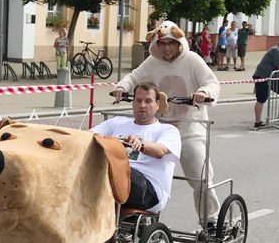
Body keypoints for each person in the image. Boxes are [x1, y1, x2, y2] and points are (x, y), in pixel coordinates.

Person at [111, 20, 221, 228]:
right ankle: (140, 220)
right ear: (156, 45)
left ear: (180, 43)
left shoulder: (192, 60)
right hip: (161, 129)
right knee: (142, 173)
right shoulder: (153, 62)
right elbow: (134, 77)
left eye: (171, 43)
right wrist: (121, 87)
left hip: (190, 126)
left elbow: (212, 82)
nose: (167, 48)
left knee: (200, 176)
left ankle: (210, 220)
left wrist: (204, 93)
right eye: (162, 44)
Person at [92, 82, 181, 212]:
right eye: (138, 101)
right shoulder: (116, 122)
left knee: (114, 168)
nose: (142, 105)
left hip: (149, 190)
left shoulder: (167, 130)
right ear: (133, 104)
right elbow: (89, 135)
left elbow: (161, 150)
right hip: (116, 177)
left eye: (148, 101)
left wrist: (141, 144)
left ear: (157, 105)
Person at [252, 37, 279, 128]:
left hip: (273, 78)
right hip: (262, 76)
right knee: (261, 99)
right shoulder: (276, 50)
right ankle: (257, 121)